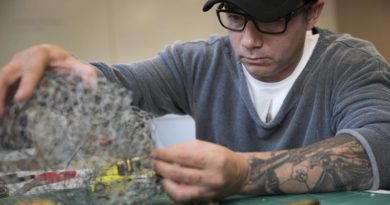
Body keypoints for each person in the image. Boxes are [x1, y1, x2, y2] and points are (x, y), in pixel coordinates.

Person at [0, 0, 389, 203]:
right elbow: (123, 85)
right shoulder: (197, 61)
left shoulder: (350, 64)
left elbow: (379, 147)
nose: (249, 40)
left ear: (312, 12)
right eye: (235, 17)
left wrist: (243, 172)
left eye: (271, 20)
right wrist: (64, 77)